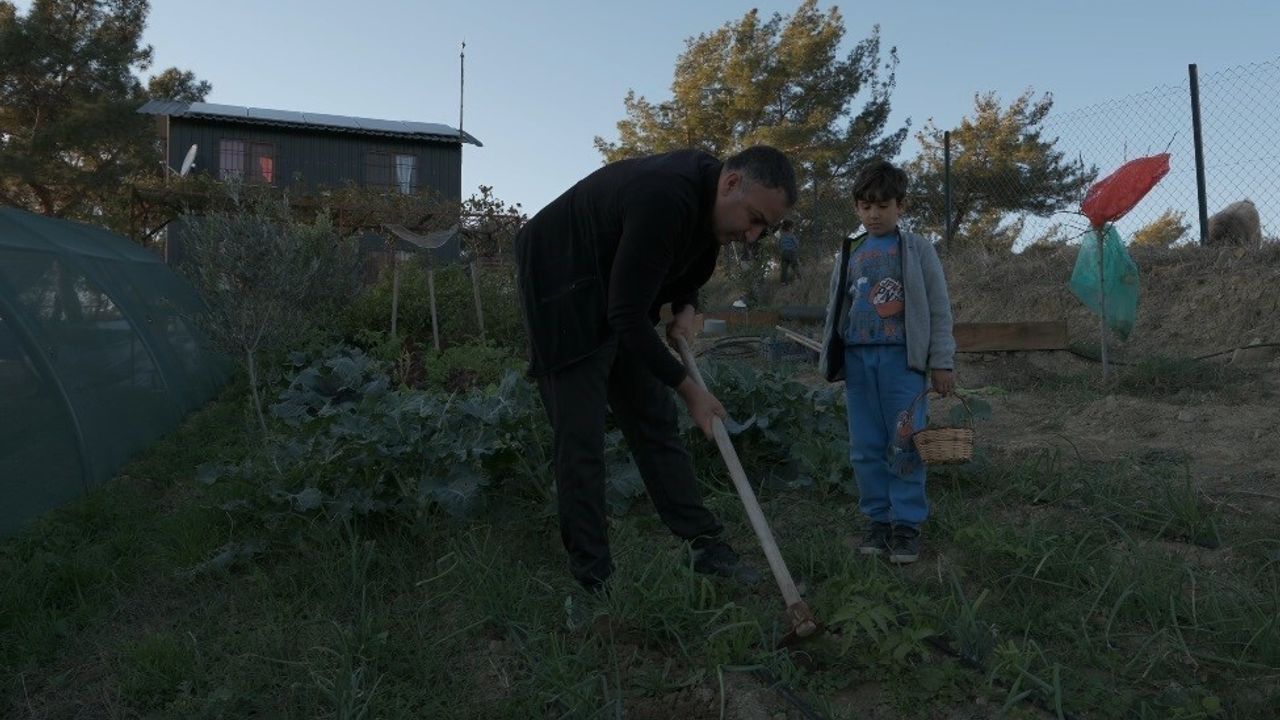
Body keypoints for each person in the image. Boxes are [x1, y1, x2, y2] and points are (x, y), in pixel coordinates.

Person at [515, 146, 798, 592]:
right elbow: (626, 316)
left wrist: (686, 305)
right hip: (561, 285)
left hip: (616, 290)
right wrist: (691, 391)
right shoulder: (665, 195)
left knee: (654, 421)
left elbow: (683, 268)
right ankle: (594, 577)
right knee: (581, 438)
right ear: (730, 183)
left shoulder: (715, 214)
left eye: (764, 228)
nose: (752, 236)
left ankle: (705, 545)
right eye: (755, 218)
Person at [817, 159, 956, 565]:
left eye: (882, 205)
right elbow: (834, 307)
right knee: (865, 445)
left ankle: (907, 524)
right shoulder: (851, 250)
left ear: (901, 205)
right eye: (864, 206)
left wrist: (941, 362)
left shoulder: (916, 249)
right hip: (859, 362)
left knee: (906, 441)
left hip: (902, 364)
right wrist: (830, 356)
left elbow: (938, 308)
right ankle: (877, 519)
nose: (873, 214)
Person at [777, 219, 801, 284]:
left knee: (784, 268)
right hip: (791, 252)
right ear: (790, 228)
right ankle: (799, 278)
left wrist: (780, 250)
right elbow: (796, 243)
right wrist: (796, 248)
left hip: (784, 253)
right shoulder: (791, 235)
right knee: (794, 265)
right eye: (793, 228)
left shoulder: (781, 236)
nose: (793, 230)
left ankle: (783, 282)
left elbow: (779, 244)